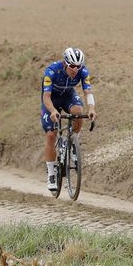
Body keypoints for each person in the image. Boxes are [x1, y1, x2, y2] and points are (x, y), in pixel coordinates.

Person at [41, 47, 97, 192]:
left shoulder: (83, 72)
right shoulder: (51, 71)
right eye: (72, 66)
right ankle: (52, 173)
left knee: (78, 112)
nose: (76, 69)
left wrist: (91, 109)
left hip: (67, 96)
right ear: (65, 63)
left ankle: (72, 142)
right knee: (51, 134)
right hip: (51, 99)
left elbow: (88, 92)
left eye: (79, 66)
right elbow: (46, 97)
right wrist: (53, 111)